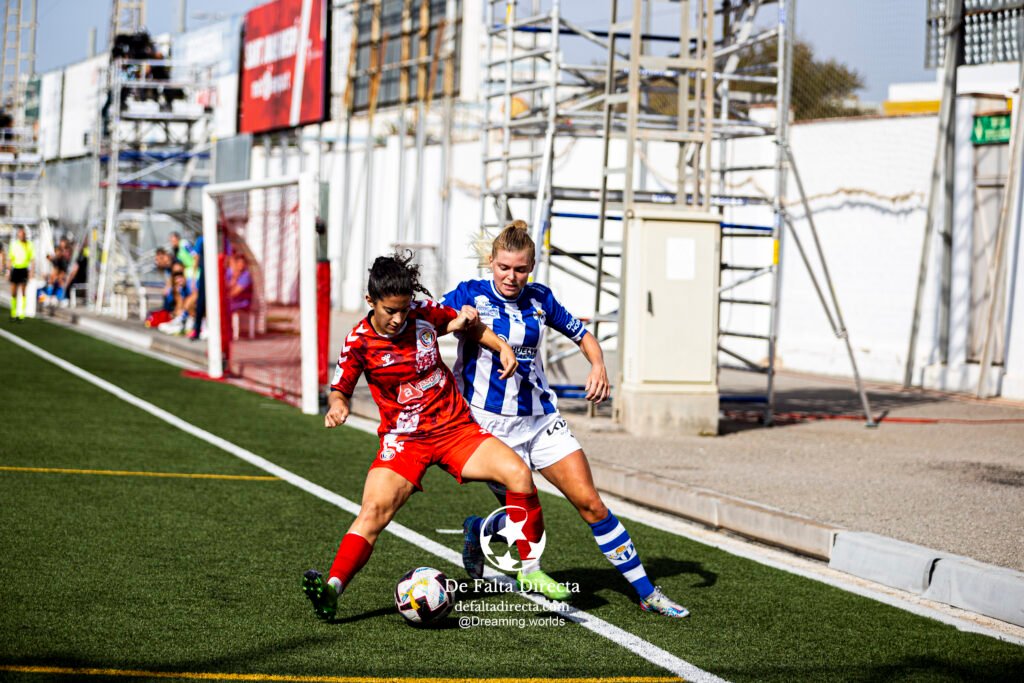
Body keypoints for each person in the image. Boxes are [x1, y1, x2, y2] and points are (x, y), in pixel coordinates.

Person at [440, 220, 689, 618]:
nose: (511, 276)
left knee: (591, 503)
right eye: (504, 267)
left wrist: (598, 365)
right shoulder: (469, 293)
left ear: (531, 267)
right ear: (491, 262)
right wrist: (455, 319)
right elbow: (431, 319)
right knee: (526, 517)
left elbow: (583, 335)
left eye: (520, 269)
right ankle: (483, 532)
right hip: (488, 426)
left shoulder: (540, 298)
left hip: (541, 420)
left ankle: (646, 592)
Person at [303, 252, 548, 621]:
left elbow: (464, 324)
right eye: (390, 311)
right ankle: (332, 589)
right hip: (404, 441)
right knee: (373, 512)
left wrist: (501, 346)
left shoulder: (422, 312)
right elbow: (340, 389)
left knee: (519, 474)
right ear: (370, 301)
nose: (399, 318)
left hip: (455, 429)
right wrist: (338, 406)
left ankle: (531, 571)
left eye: (404, 309)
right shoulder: (358, 342)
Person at [8, 227, 33, 321]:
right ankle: (13, 313)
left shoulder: (29, 245)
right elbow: (10, 259)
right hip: (15, 269)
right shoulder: (14, 245)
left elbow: (32, 259)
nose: (21, 236)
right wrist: (8, 271)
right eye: (20, 234)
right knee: (13, 292)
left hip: (24, 269)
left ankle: (22, 313)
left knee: (23, 291)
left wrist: (31, 272)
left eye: (23, 234)